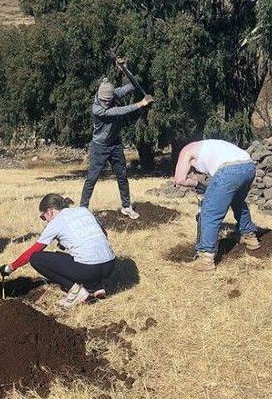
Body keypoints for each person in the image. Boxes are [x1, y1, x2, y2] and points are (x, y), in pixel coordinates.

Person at [0, 194, 115, 308]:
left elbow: (32, 253)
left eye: (43, 217)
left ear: (50, 211)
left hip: (89, 270)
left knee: (36, 258)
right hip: (110, 265)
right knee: (76, 257)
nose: (45, 221)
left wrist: (10, 268)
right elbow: (104, 234)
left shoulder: (56, 222)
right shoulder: (83, 210)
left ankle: (76, 292)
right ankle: (97, 286)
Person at [174, 139, 260, 272]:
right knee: (238, 202)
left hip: (229, 170)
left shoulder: (186, 151)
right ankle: (250, 236)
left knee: (209, 212)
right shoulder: (209, 145)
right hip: (249, 166)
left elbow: (179, 179)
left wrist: (198, 185)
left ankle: (206, 258)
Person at [80, 71, 154, 219]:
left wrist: (126, 69)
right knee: (92, 178)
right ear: (100, 97)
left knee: (122, 175)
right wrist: (141, 103)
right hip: (99, 147)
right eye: (104, 100)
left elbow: (131, 86)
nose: (107, 102)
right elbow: (119, 110)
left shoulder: (113, 94)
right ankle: (82, 209)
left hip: (115, 145)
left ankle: (126, 207)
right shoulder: (98, 109)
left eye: (109, 100)